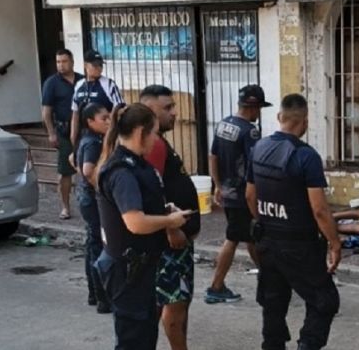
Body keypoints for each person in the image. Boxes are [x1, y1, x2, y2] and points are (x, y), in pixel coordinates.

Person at [246, 94, 341, 350]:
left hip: (267, 241)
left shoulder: (259, 148)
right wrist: (334, 242)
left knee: (273, 302)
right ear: (305, 121)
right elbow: (319, 209)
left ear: (280, 117)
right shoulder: (306, 156)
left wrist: (265, 219)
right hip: (299, 244)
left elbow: (249, 195)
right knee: (325, 300)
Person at [94, 103, 190, 350]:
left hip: (142, 267)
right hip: (128, 271)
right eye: (154, 133)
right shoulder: (122, 170)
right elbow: (134, 222)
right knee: (133, 341)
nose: (156, 140)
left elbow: (145, 204)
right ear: (140, 132)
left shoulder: (137, 164)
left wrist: (166, 210)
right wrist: (169, 222)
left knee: (145, 337)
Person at [139, 85, 201, 350]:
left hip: (176, 240)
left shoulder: (159, 142)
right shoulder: (152, 146)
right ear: (150, 110)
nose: (175, 112)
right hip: (170, 243)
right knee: (174, 306)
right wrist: (170, 230)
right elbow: (152, 192)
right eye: (168, 108)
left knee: (165, 303)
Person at [205, 84, 269, 304]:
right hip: (243, 194)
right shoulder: (250, 132)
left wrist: (218, 185)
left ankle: (269, 276)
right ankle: (216, 285)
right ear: (252, 108)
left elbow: (213, 156)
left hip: (228, 191)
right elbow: (256, 165)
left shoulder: (224, 124)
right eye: (259, 108)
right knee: (234, 238)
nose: (259, 113)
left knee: (250, 236)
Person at [76, 102, 112, 314]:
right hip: (92, 199)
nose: (108, 122)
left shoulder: (92, 139)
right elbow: (88, 171)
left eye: (109, 118)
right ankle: (102, 297)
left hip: (87, 198)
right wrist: (104, 188)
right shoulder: (92, 142)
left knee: (93, 245)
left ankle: (94, 294)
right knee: (98, 246)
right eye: (103, 119)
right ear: (90, 122)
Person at [41, 49, 84, 220]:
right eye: (58, 62)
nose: (61, 65)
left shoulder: (82, 80)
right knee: (65, 172)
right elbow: (46, 111)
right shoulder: (52, 83)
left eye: (64, 61)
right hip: (64, 132)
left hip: (84, 130)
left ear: (72, 62)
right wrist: (51, 133)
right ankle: (65, 207)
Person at [70, 50, 124, 148]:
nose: (99, 68)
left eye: (100, 65)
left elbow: (120, 108)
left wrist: (108, 126)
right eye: (95, 65)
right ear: (86, 65)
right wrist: (73, 135)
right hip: (84, 135)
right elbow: (75, 112)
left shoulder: (108, 84)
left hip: (104, 135)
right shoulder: (79, 85)